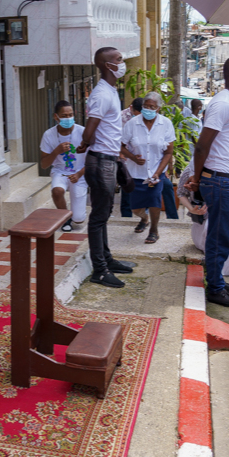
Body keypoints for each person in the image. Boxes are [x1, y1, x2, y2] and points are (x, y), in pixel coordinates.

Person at [187, 55, 229, 308]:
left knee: (223, 233)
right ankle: (215, 287)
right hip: (220, 180)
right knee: (218, 236)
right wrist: (198, 179)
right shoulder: (222, 104)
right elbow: (202, 146)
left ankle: (217, 278)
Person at [78, 47, 135, 288]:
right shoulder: (101, 94)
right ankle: (99, 270)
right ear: (107, 65)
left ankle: (107, 260)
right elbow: (90, 130)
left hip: (108, 159)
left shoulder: (110, 91)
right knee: (99, 217)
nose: (122, 63)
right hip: (100, 161)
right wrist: (83, 143)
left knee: (104, 214)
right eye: (118, 60)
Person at [121, 92, 175, 244]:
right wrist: (133, 158)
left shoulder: (166, 124)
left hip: (156, 172)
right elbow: (121, 146)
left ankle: (154, 231)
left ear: (158, 108)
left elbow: (168, 152)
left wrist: (159, 173)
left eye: (152, 107)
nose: (148, 109)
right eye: (146, 106)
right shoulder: (132, 123)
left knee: (154, 200)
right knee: (135, 208)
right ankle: (144, 219)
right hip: (136, 173)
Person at [177, 159, 229, 276]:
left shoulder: (228, 168)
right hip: (202, 221)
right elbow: (180, 192)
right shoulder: (191, 169)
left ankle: (218, 277)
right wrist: (191, 209)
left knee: (227, 248)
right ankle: (217, 278)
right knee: (215, 243)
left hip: (224, 217)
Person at [40, 100, 86, 233]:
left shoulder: (83, 132)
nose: (68, 118)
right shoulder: (48, 135)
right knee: (57, 191)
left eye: (71, 115)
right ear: (56, 117)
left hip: (79, 172)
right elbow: (44, 164)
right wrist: (56, 151)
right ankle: (64, 217)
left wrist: (79, 174)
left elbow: (92, 160)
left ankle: (74, 218)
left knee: (78, 219)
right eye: (64, 116)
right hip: (60, 171)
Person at [119, 97, 144, 218]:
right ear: (131, 109)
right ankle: (126, 216)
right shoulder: (121, 118)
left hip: (140, 158)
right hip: (125, 157)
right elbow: (116, 138)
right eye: (136, 114)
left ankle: (144, 214)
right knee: (127, 185)